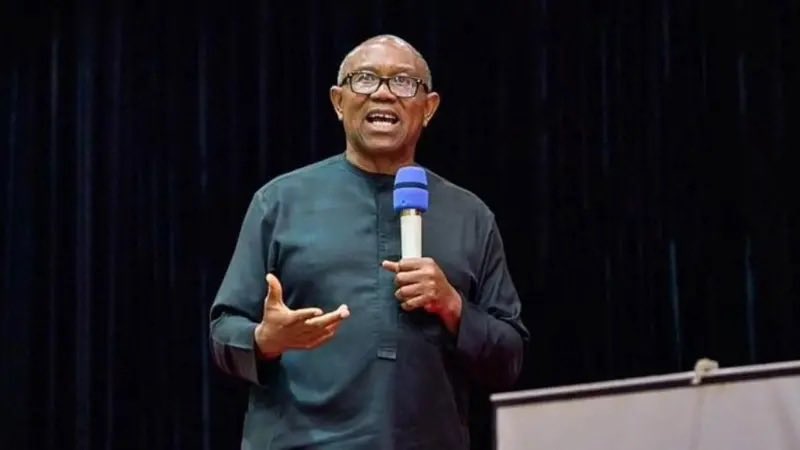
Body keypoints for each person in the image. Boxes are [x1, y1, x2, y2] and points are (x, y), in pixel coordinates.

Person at [209, 34, 529, 450]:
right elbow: (223, 332)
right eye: (365, 79)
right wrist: (265, 341)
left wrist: (453, 307)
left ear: (429, 108)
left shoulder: (471, 216)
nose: (383, 92)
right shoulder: (280, 202)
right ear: (338, 102)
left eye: (403, 82)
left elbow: (510, 358)